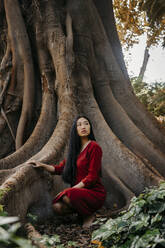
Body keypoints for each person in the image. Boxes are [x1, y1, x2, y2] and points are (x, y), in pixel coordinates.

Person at [27, 115, 106, 228]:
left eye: (86, 123)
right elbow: (59, 169)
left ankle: (88, 215)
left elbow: (92, 177)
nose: (83, 126)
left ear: (90, 127)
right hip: (78, 194)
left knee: (68, 195)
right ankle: (81, 212)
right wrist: (42, 165)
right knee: (56, 207)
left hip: (94, 193)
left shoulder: (94, 147)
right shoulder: (75, 151)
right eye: (79, 125)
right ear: (75, 130)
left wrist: (71, 190)